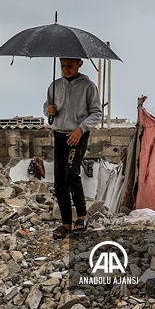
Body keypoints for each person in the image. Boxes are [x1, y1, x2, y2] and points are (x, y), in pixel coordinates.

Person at [44, 57, 102, 239]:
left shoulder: (88, 86)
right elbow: (47, 106)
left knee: (72, 174)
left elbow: (96, 112)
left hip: (77, 135)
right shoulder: (54, 86)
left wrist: (81, 129)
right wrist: (49, 111)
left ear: (79, 64)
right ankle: (65, 222)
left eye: (70, 66)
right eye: (62, 66)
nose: (65, 69)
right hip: (59, 135)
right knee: (59, 181)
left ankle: (82, 215)